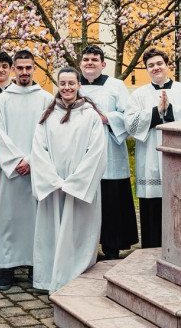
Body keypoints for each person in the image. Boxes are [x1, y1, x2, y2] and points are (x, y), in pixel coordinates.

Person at [31, 67, 107, 293]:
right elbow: (38, 149)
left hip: (79, 187)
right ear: (58, 85)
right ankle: (49, 277)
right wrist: (53, 180)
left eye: (71, 83)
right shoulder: (47, 115)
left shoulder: (90, 115)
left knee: (79, 231)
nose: (67, 88)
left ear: (78, 85)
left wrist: (75, 182)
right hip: (54, 187)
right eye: (62, 83)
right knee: (52, 232)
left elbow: (96, 152)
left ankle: (76, 275)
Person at [124, 47, 181, 249]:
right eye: (151, 65)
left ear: (167, 65)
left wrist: (171, 109)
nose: (155, 68)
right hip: (150, 156)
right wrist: (155, 111)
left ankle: (180, 250)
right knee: (151, 208)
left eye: (159, 63)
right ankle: (150, 251)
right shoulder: (138, 94)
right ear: (146, 69)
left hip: (179, 157)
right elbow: (131, 125)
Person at [0, 49, 52, 290]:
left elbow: (49, 133)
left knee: (37, 221)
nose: (24, 72)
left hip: (37, 170)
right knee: (7, 220)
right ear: (13, 69)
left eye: (28, 67)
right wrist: (16, 162)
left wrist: (32, 160)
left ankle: (37, 266)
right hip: (10, 172)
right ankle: (6, 268)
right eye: (20, 67)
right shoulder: (2, 100)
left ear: (35, 68)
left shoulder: (45, 98)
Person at [78, 45, 138, 260]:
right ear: (80, 64)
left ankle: (111, 247)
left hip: (110, 150)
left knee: (111, 203)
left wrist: (106, 118)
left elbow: (129, 115)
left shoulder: (116, 85)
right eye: (86, 59)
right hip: (82, 153)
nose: (90, 62)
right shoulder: (73, 86)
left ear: (103, 64)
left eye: (94, 59)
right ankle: (86, 248)